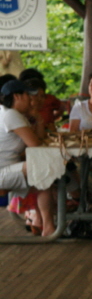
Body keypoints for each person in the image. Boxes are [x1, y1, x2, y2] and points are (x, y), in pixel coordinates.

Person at [0, 79, 57, 237]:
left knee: (43, 176)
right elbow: (35, 144)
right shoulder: (11, 115)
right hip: (3, 173)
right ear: (17, 97)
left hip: (8, 169)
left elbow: (38, 139)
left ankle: (42, 223)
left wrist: (38, 118)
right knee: (44, 171)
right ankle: (47, 225)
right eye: (27, 95)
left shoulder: (10, 113)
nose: (31, 99)